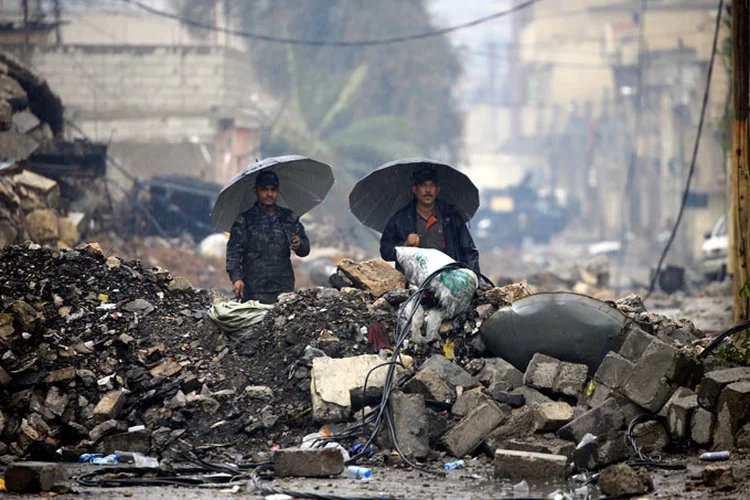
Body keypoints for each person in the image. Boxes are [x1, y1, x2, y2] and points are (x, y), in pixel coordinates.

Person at [226, 170, 310, 304]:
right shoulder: (245, 221)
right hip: (253, 290)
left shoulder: (288, 218)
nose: (269, 194)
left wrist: (299, 244)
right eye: (264, 189)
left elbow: (305, 250)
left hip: (283, 288)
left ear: (278, 191)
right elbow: (233, 253)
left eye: (273, 189)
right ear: (256, 190)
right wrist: (236, 279)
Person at [379, 166, 480, 274]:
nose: (428, 190)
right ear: (414, 189)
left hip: (448, 279)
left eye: (432, 185)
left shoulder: (451, 217)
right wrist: (404, 246)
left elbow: (469, 251)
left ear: (437, 189)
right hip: (413, 281)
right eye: (423, 185)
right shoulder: (400, 219)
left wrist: (474, 279)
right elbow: (385, 251)